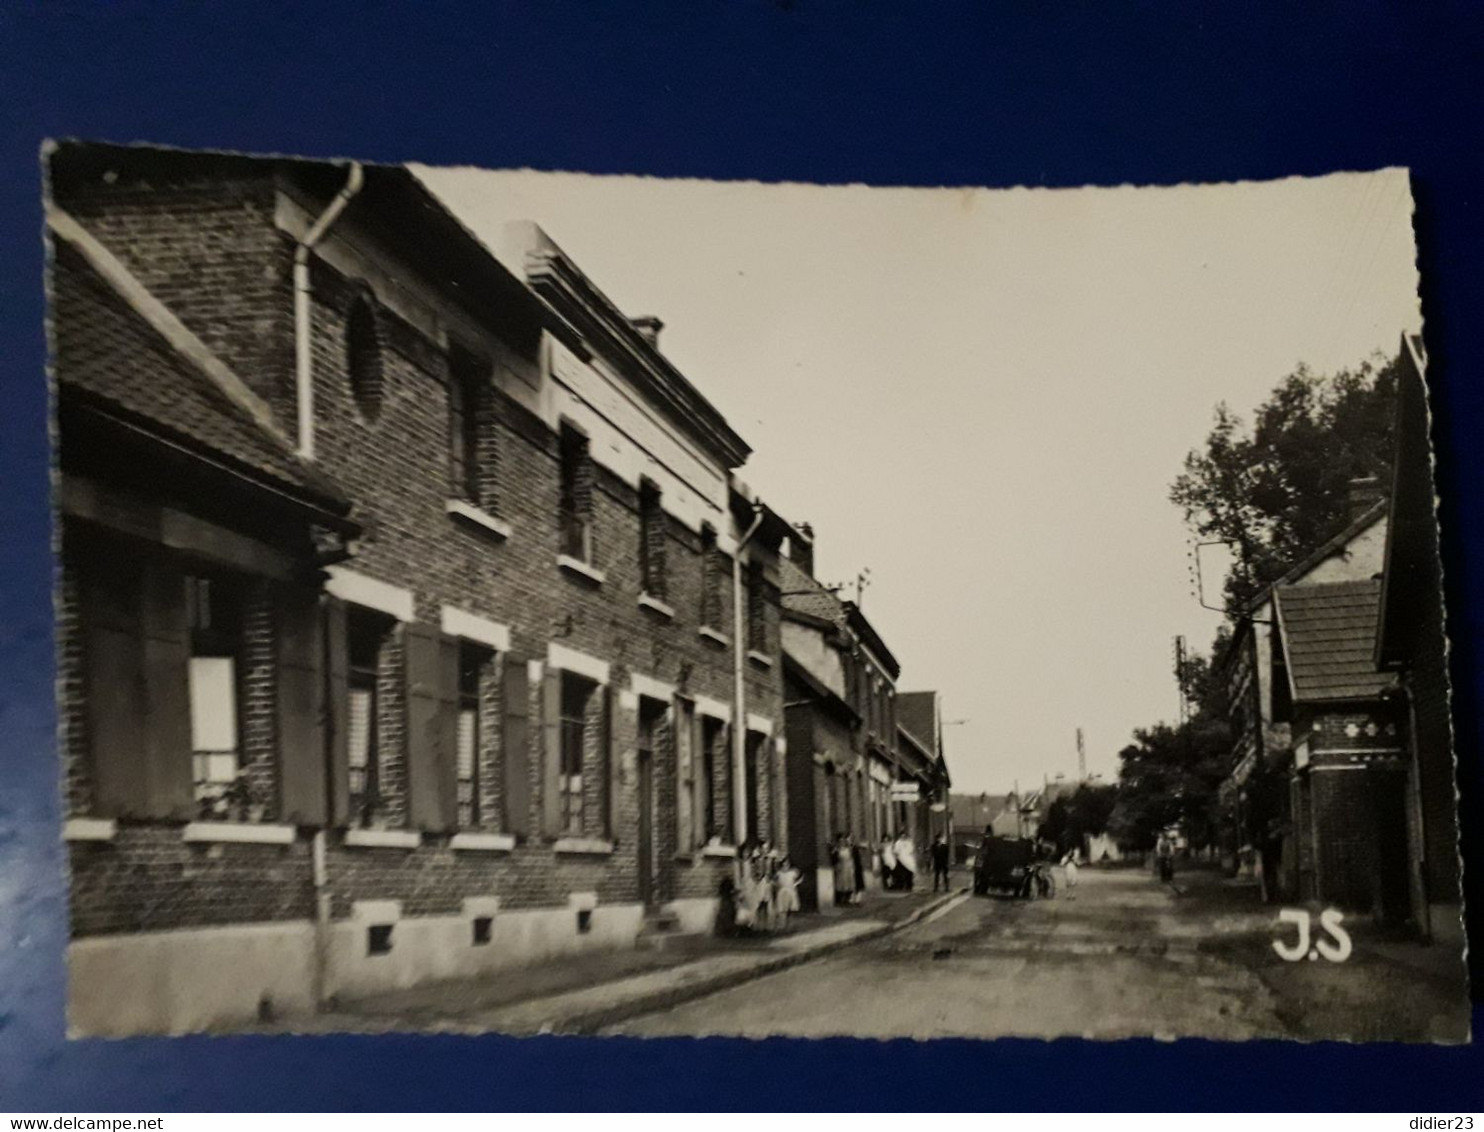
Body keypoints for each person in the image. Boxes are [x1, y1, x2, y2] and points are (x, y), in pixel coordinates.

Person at [774, 856, 801, 930]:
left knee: (791, 909)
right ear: (782, 864)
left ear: (790, 864)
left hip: (791, 891)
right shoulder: (779, 873)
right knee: (783, 909)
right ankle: (782, 925)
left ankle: (790, 926)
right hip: (782, 892)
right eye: (784, 863)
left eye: (787, 863)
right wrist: (778, 886)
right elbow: (775, 881)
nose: (786, 865)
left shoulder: (793, 872)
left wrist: (796, 884)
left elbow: (799, 878)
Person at [831, 833, 854, 906]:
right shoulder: (836, 849)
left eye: (843, 841)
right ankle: (841, 900)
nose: (842, 842)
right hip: (840, 868)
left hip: (848, 868)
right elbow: (833, 857)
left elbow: (851, 857)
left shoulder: (848, 849)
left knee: (848, 883)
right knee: (841, 884)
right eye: (840, 841)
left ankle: (848, 899)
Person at [849, 837, 866, 904]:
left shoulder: (854, 848)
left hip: (856, 868)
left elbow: (857, 859)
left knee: (857, 884)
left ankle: (857, 899)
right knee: (852, 884)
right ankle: (853, 899)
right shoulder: (850, 848)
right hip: (850, 868)